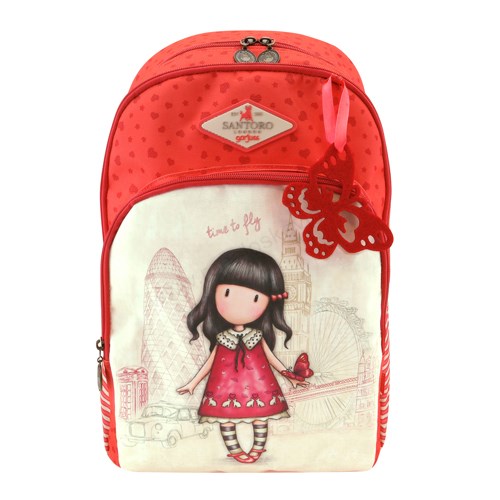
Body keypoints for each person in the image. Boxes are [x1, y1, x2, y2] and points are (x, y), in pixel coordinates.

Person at [177, 248, 309, 463]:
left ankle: (257, 449)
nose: (239, 305)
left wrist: (289, 376)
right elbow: (209, 363)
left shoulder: (257, 336)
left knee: (261, 416)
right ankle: (235, 450)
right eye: (227, 293)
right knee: (225, 418)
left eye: (255, 298)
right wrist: (192, 383)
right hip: (226, 386)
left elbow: (272, 359)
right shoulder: (222, 338)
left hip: (256, 385)